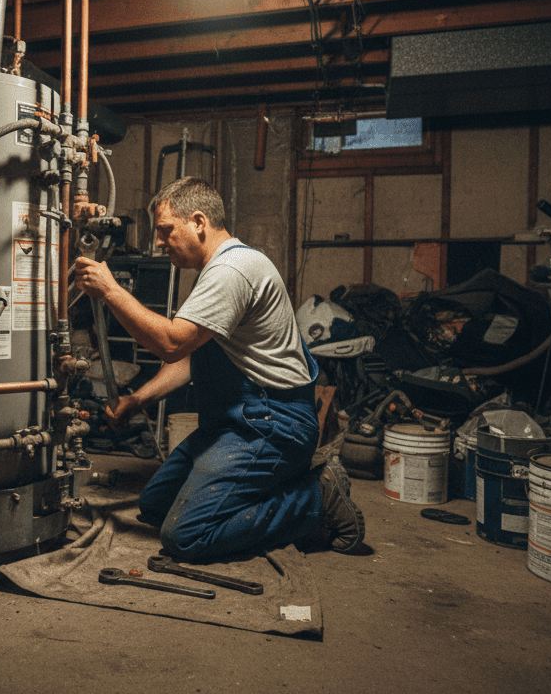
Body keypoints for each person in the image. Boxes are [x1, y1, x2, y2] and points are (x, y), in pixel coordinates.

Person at [73, 176, 364, 562]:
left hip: (272, 423)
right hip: (234, 420)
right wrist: (137, 399)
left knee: (185, 537)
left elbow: (171, 342)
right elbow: (192, 357)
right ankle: (264, 487)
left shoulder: (232, 270)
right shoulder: (218, 269)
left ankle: (314, 497)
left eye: (165, 231)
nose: (159, 242)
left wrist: (111, 290)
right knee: (157, 506)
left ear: (198, 222)